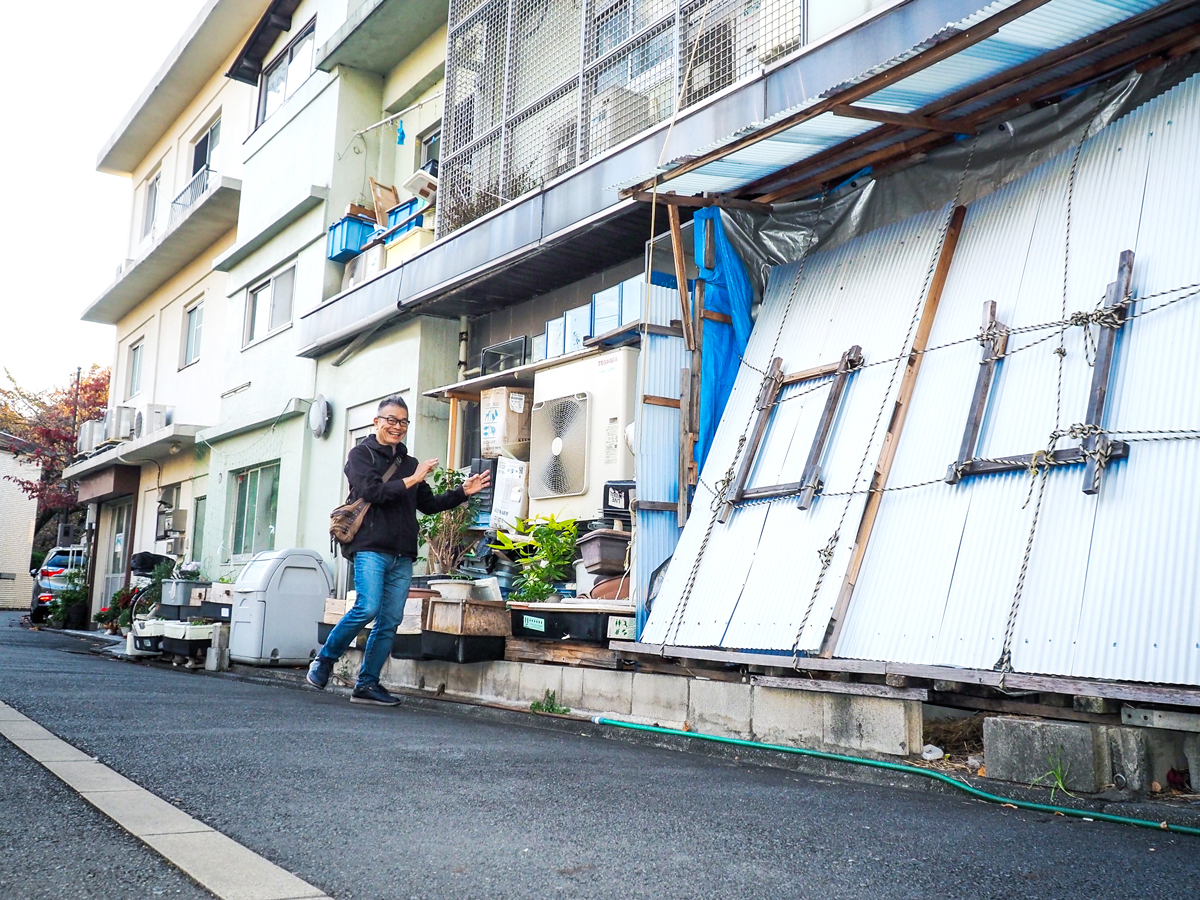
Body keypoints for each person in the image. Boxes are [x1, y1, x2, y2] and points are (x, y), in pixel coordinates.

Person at [307, 395, 490, 705]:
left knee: (390, 620)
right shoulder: (360, 455)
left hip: (402, 553)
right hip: (370, 547)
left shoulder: (408, 463)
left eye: (403, 422)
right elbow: (372, 492)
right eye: (391, 420)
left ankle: (367, 683)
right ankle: (324, 660)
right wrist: (413, 479)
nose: (397, 426)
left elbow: (429, 505)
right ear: (377, 422)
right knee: (367, 607)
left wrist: (462, 492)